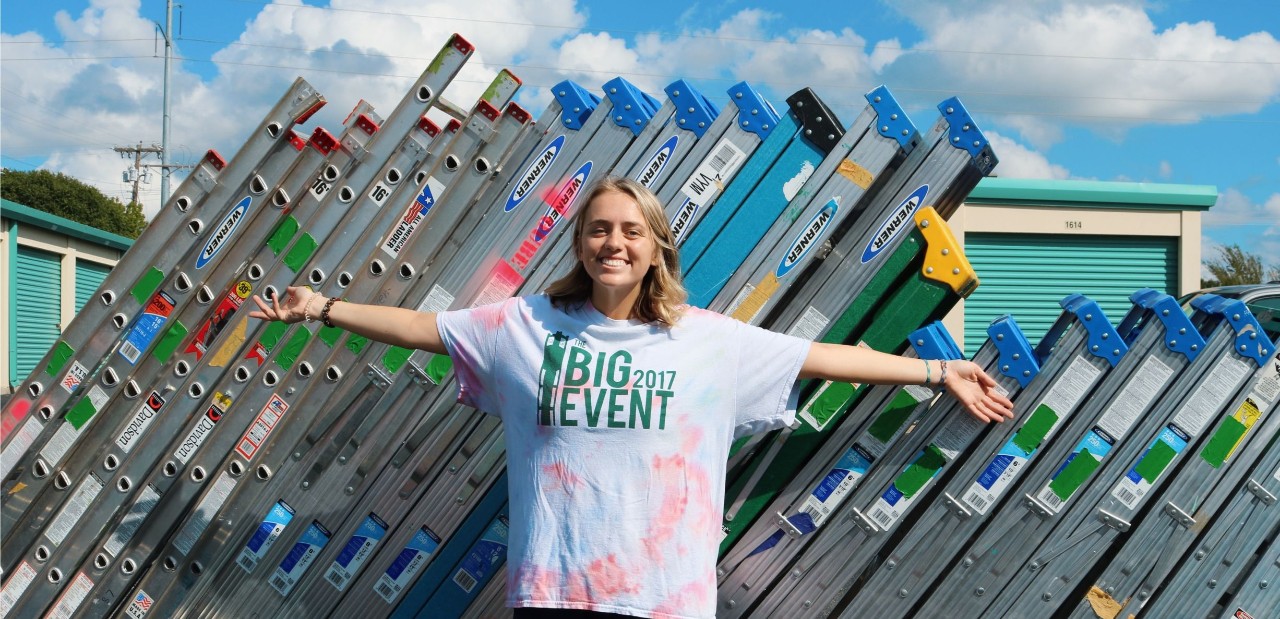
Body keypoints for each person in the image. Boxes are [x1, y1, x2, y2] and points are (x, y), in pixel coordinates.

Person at [251, 176, 1014, 619]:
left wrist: (937, 372)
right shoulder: (523, 325)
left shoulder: (708, 338)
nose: (613, 243)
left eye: (630, 231)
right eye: (597, 230)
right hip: (554, 591)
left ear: (654, 246)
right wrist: (319, 306)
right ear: (579, 242)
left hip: (666, 600)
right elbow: (422, 326)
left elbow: (825, 358)